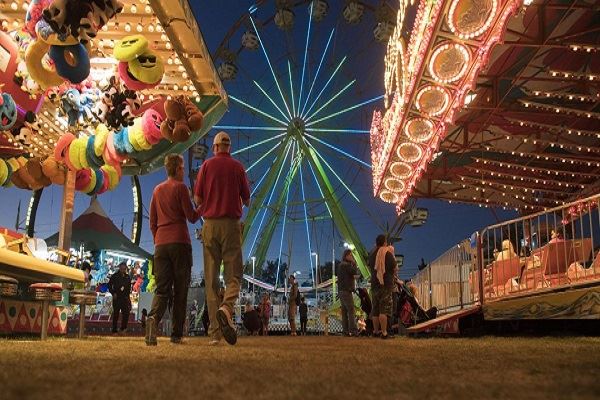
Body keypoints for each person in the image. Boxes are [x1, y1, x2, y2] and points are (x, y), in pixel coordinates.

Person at [194, 131, 250, 346]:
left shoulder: (206, 166)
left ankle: (215, 334)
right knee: (234, 274)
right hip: (231, 226)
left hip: (210, 225)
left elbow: (198, 199)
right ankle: (226, 308)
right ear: (230, 147)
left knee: (211, 279)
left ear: (215, 147)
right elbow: (247, 201)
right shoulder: (238, 167)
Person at [147, 153, 201, 346]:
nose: (185, 171)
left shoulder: (156, 190)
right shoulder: (181, 188)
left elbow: (152, 222)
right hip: (180, 242)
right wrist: (202, 206)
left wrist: (159, 239)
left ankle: (153, 319)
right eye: (183, 168)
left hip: (160, 245)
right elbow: (192, 217)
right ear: (178, 169)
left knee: (162, 289)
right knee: (180, 290)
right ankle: (176, 335)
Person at [367, 234, 397, 339]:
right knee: (384, 309)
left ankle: (375, 332)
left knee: (375, 309)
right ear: (384, 242)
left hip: (374, 284)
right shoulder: (386, 253)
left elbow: (369, 266)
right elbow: (394, 267)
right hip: (385, 284)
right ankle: (384, 332)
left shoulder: (372, 254)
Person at [337, 249, 360, 336]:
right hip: (347, 290)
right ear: (346, 256)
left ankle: (345, 331)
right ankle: (353, 330)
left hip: (341, 290)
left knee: (344, 311)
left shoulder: (340, 265)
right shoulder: (346, 265)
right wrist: (354, 263)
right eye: (350, 255)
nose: (352, 257)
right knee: (351, 310)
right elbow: (355, 272)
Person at [108, 261, 131, 334]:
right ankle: (114, 329)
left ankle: (123, 328)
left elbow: (128, 288)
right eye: (122, 268)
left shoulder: (127, 277)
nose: (123, 270)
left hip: (124, 297)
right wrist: (113, 293)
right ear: (119, 268)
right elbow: (109, 285)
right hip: (117, 297)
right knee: (116, 314)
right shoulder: (114, 276)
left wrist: (128, 299)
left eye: (124, 269)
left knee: (126, 313)